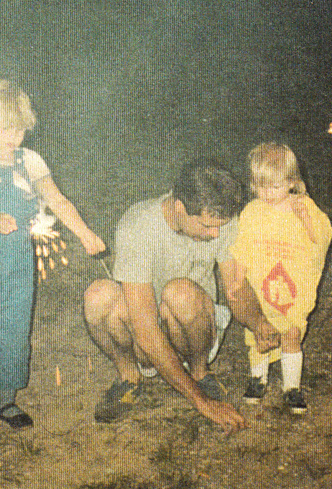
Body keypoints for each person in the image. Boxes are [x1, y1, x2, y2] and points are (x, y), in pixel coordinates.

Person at [0, 80, 106, 440]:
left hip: (19, 262)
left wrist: (85, 234)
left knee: (16, 326)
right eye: (3, 128)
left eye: (18, 129)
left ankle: (6, 400)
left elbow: (58, 200)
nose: (12, 137)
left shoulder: (29, 161)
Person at [83, 158, 280, 434]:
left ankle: (200, 372)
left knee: (180, 293)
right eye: (206, 225)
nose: (215, 234)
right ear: (179, 208)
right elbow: (145, 329)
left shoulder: (222, 221)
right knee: (98, 295)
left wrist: (258, 321)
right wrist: (202, 404)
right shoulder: (139, 226)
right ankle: (129, 377)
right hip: (147, 336)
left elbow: (236, 289)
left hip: (194, 326)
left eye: (219, 226)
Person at [229, 142, 332, 414]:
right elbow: (242, 248)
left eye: (274, 186)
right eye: (261, 186)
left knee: (291, 334)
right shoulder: (252, 212)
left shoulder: (304, 207)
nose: (268, 193)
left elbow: (321, 239)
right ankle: (258, 379)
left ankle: (292, 387)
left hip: (293, 288)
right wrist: (239, 281)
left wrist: (306, 220)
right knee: (258, 335)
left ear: (291, 182)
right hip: (262, 286)